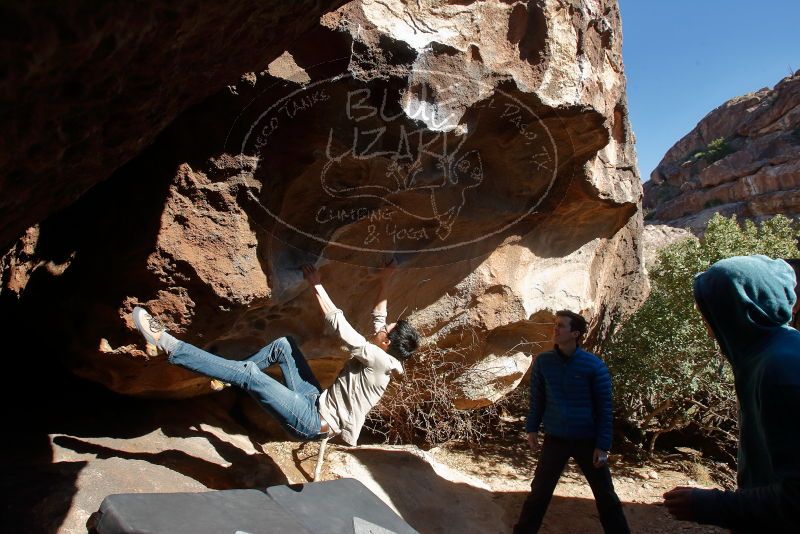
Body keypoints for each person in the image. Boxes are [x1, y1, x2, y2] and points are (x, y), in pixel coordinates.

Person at [130, 262, 420, 444]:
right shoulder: (386, 353)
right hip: (314, 401)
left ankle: (169, 344)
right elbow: (380, 317)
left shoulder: (379, 360)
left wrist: (316, 284)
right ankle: (230, 376)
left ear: (386, 343)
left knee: (251, 374)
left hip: (311, 422)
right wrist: (387, 278)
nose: (383, 328)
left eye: (387, 331)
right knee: (284, 346)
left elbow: (339, 326)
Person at [663, 255, 800, 532]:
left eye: (708, 305)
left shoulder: (781, 369)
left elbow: (796, 498)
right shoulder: (762, 356)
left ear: (733, 309)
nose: (702, 316)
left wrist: (710, 504)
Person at [515, 310, 630, 534]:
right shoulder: (543, 362)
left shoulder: (594, 366)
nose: (554, 330)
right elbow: (537, 398)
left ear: (575, 333)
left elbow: (604, 409)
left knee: (605, 495)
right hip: (555, 440)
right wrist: (531, 429)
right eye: (555, 325)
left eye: (561, 326)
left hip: (588, 440)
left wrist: (603, 445)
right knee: (538, 494)